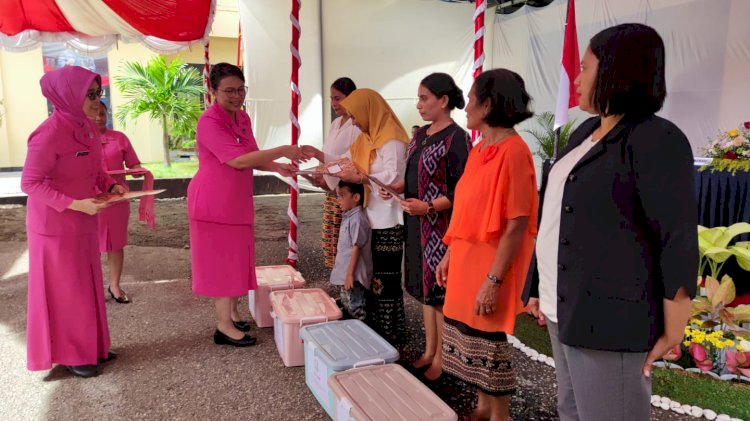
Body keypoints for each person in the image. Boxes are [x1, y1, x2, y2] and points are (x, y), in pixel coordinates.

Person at [523, 23, 697, 421]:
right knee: (572, 410)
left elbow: (676, 235)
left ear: (617, 71)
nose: (576, 78)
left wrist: (676, 324)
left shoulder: (656, 139)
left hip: (609, 317)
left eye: (584, 67)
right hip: (563, 304)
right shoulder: (585, 131)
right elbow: (556, 215)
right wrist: (536, 284)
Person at [435, 69, 538, 421]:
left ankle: (500, 415)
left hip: (492, 266)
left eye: (472, 98)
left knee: (491, 341)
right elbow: (465, 209)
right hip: (466, 259)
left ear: (489, 104)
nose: (467, 107)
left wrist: (493, 282)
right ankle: (482, 407)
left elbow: (516, 224)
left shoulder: (514, 152)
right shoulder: (481, 149)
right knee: (469, 334)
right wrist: (450, 252)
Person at [188, 62, 307, 347]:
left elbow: (251, 154)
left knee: (236, 259)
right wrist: (281, 149)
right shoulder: (209, 121)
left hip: (236, 201)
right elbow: (237, 160)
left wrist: (277, 166)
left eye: (241, 89)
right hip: (213, 203)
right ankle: (223, 325)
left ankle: (232, 312)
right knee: (222, 263)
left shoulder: (242, 118)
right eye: (229, 90)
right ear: (213, 90)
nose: (236, 96)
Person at [22, 66, 126, 378]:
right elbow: (30, 183)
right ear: (67, 96)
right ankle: (71, 353)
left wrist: (109, 186)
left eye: (98, 94)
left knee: (87, 284)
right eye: (90, 95)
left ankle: (91, 347)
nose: (97, 101)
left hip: (84, 219)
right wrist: (73, 203)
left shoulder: (89, 128)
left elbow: (96, 170)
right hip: (54, 226)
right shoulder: (48, 133)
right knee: (67, 289)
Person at [386, 73, 471, 380]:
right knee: (424, 293)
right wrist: (394, 187)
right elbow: (410, 175)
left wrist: (430, 207)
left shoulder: (457, 139)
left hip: (440, 229)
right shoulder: (420, 134)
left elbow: (463, 191)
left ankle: (443, 360)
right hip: (416, 225)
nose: (419, 104)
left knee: (439, 294)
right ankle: (429, 351)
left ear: (443, 101)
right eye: (419, 98)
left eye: (424, 98)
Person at [333, 88, 410, 346]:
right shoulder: (367, 139)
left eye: (355, 115)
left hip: (388, 220)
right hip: (371, 217)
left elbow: (394, 179)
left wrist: (364, 178)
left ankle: (392, 331)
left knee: (385, 279)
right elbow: (345, 162)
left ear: (369, 110)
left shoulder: (392, 140)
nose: (353, 121)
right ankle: (376, 328)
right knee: (370, 276)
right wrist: (318, 162)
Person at [304, 77, 360, 268]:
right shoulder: (336, 123)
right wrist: (320, 174)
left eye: (338, 98)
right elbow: (332, 156)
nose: (334, 103)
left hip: (348, 191)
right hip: (332, 190)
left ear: (352, 98)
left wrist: (319, 155)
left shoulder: (357, 125)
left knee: (346, 243)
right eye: (331, 99)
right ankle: (340, 288)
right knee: (331, 244)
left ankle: (349, 291)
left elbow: (349, 160)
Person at [95, 101, 144, 304]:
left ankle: (114, 285)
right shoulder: (78, 141)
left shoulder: (119, 138)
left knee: (115, 244)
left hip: (117, 200)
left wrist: (138, 170)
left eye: (102, 113)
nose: (98, 117)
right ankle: (92, 289)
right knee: (89, 246)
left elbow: (134, 165)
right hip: (90, 201)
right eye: (94, 113)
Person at [330, 180, 372, 320]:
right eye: (337, 196)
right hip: (347, 276)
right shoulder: (349, 216)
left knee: (356, 310)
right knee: (347, 306)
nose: (338, 200)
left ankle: (360, 337)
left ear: (356, 198)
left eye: (342, 196)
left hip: (354, 278)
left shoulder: (358, 219)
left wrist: (350, 275)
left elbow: (356, 248)